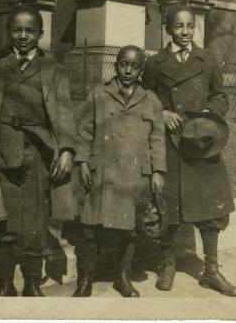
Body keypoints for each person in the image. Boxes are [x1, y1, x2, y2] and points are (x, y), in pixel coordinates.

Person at [0, 6, 79, 297]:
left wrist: (66, 150)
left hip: (37, 156)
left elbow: (64, 114)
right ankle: (5, 284)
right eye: (17, 30)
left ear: (41, 33)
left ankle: (30, 282)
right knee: (3, 221)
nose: (23, 36)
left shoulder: (54, 70)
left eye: (30, 30)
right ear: (9, 32)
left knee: (36, 222)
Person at [141, 5, 236, 296]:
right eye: (178, 26)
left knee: (211, 209)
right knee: (169, 206)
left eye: (189, 26)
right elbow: (144, 97)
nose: (184, 32)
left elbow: (220, 95)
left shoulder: (207, 59)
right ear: (168, 28)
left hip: (202, 142)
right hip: (171, 142)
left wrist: (209, 113)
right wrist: (161, 112)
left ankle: (211, 271)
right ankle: (168, 264)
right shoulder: (156, 63)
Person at [71, 45, 166, 297]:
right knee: (90, 229)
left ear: (141, 70)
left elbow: (157, 139)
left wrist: (158, 171)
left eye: (135, 66)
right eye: (124, 64)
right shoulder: (98, 95)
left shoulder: (151, 100)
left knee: (129, 230)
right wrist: (82, 162)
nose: (128, 70)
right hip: (101, 173)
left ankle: (122, 277)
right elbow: (84, 131)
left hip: (134, 177)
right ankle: (85, 279)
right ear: (115, 66)